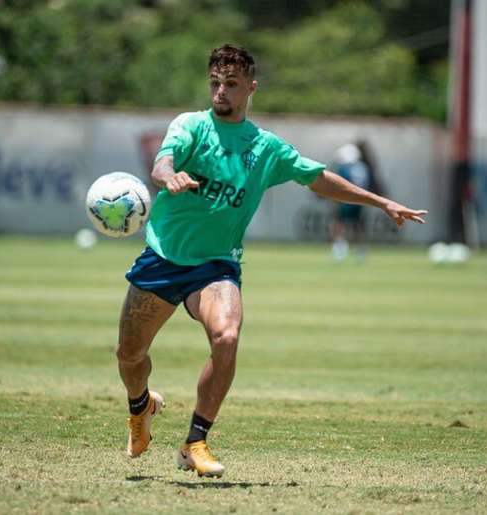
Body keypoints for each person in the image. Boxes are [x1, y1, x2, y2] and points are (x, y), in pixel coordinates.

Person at [117, 44, 427, 478]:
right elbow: (163, 160)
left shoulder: (264, 148)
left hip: (216, 265)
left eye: (230, 84)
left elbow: (318, 178)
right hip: (163, 258)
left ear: (251, 88)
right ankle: (142, 406)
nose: (220, 92)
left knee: (226, 336)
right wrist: (168, 175)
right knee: (130, 356)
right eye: (214, 83)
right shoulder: (190, 126)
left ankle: (195, 441)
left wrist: (380, 202)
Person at [328, 141, 383, 262]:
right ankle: (361, 250)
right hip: (359, 201)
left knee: (339, 223)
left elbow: (337, 184)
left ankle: (339, 250)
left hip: (344, 200)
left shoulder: (343, 167)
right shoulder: (362, 167)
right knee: (358, 225)